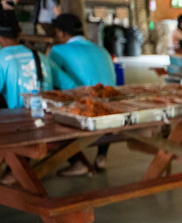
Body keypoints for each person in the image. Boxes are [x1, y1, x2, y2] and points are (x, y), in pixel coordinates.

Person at [50, 14, 117, 177]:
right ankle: (101, 157)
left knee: (52, 115)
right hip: (113, 107)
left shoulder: (57, 50)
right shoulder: (101, 49)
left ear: (60, 33)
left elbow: (51, 78)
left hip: (87, 110)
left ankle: (76, 162)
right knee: (103, 102)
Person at [0, 10, 72, 109]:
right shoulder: (40, 56)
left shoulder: (2, 58)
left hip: (18, 118)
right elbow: (70, 85)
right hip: (47, 116)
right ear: (20, 33)